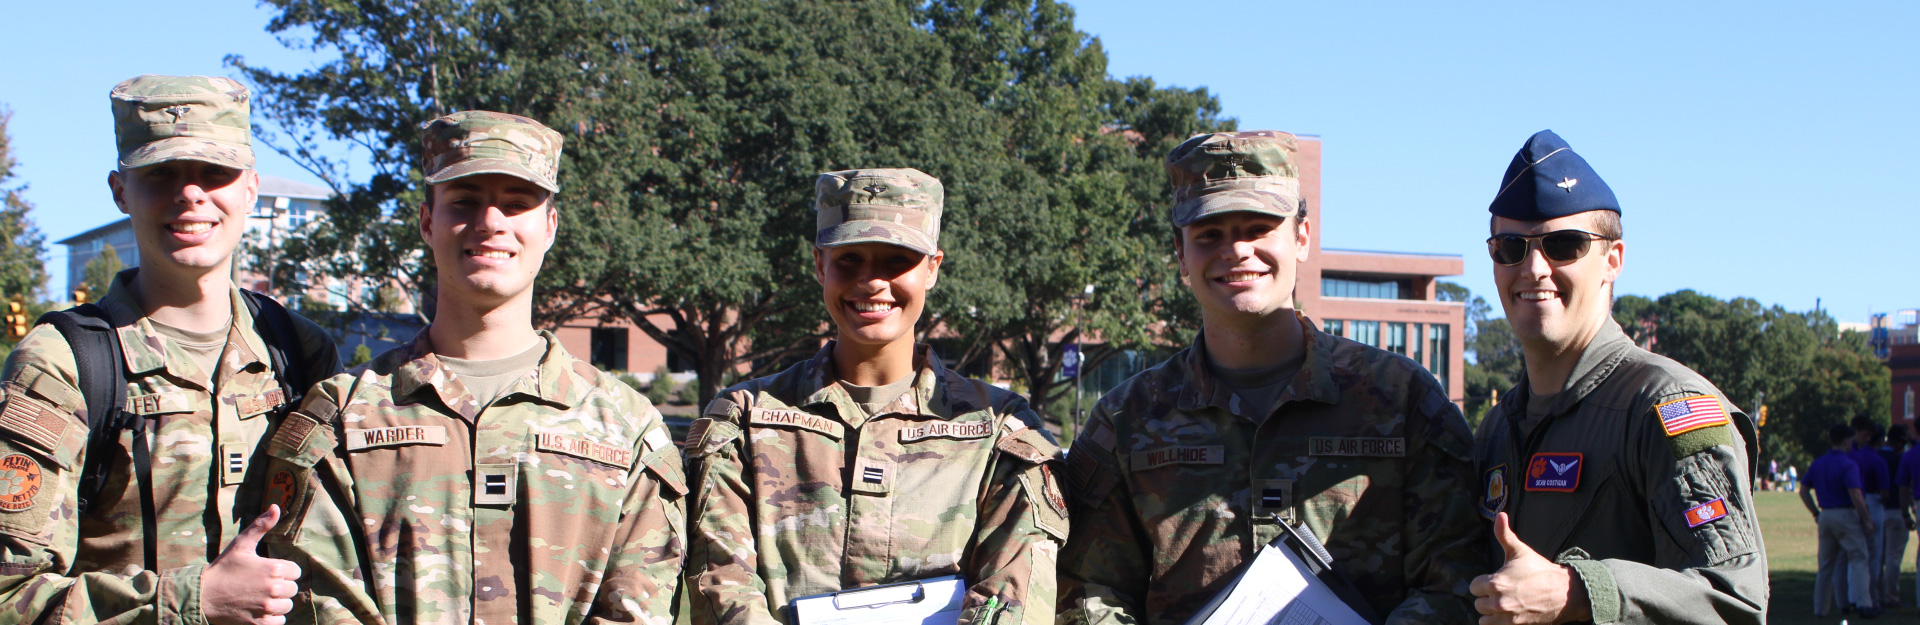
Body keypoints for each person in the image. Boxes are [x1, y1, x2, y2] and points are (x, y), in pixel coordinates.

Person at [256, 111, 687, 624]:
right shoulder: (343, 416)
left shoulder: (626, 425)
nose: (490, 222)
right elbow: (317, 598)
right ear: (426, 222)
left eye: (516, 203)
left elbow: (640, 605)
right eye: (464, 202)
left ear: (549, 226)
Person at [1058, 131, 1483, 625]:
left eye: (1259, 229)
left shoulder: (1399, 398)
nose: (1237, 251)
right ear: (1180, 254)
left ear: (1301, 238)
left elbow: (1456, 576)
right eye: (1209, 234)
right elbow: (1089, 590)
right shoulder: (1128, 417)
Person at [0, 75, 341, 625]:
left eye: (215, 173)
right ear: (119, 191)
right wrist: (189, 602)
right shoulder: (65, 362)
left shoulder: (298, 350)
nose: (190, 194)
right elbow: (8, 597)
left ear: (250, 188)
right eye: (161, 174)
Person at [683, 168, 1067, 625]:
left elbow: (1013, 599)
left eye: (895, 261)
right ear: (820, 264)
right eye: (849, 259)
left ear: (932, 269)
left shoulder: (1000, 430)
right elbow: (722, 585)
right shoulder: (745, 421)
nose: (871, 281)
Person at [1468, 130, 1767, 625]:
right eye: (1512, 246)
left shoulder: (1667, 408)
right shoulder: (1498, 427)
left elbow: (1736, 599)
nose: (1534, 268)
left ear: (1613, 260)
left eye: (1565, 245)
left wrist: (1578, 592)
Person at [1805, 424, 1878, 617]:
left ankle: (1820, 608)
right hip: (1845, 514)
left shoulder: (1819, 463)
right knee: (1858, 559)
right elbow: (1856, 494)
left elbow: (1804, 489)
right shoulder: (1848, 464)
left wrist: (1815, 512)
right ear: (1846, 440)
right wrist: (1867, 519)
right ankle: (1864, 604)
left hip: (1826, 514)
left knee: (1826, 565)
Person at [1875, 424, 1909, 607]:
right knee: (1893, 557)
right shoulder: (1900, 458)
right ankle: (1891, 596)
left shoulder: (1877, 456)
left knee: (1878, 557)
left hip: (1878, 509)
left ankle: (1876, 594)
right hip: (1896, 510)